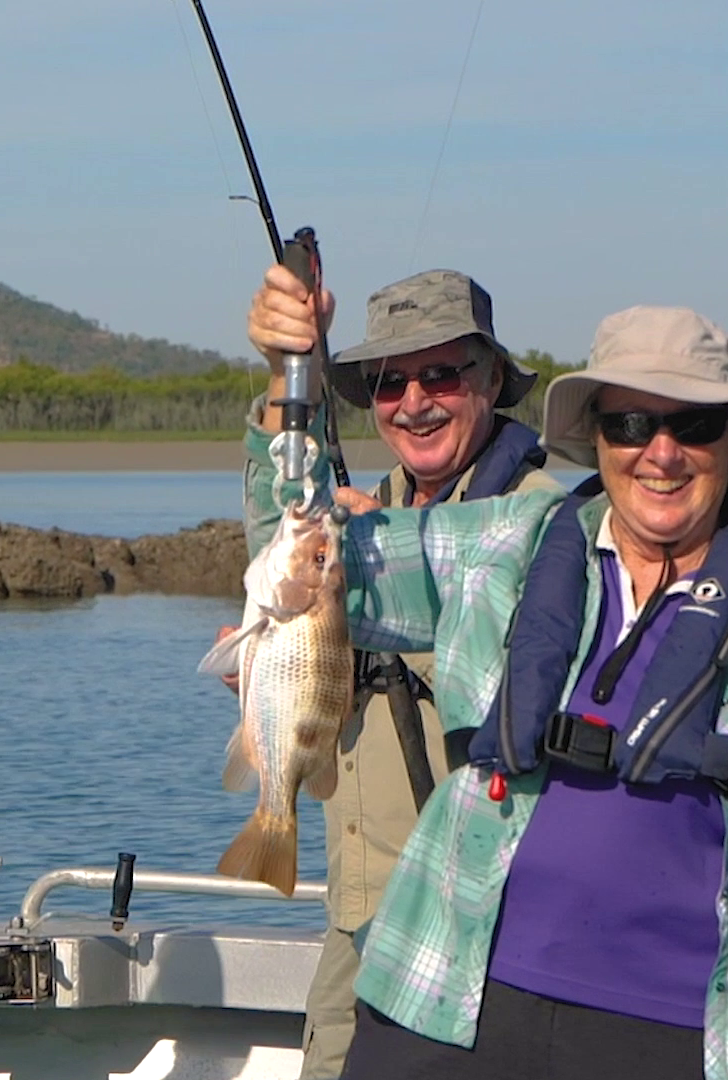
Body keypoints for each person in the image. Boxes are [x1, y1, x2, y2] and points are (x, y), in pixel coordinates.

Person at [243, 296, 728, 1080]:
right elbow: (301, 561)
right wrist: (293, 380)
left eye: (691, 425)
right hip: (444, 993)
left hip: (680, 1032)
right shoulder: (502, 543)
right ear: (596, 438)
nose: (660, 452)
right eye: (629, 425)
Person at [238, 265, 561, 1080]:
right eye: (389, 381)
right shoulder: (350, 510)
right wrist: (285, 374)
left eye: (441, 373)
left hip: (480, 918)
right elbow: (274, 533)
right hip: (358, 914)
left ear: (491, 379)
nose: (413, 401)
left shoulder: (542, 518)